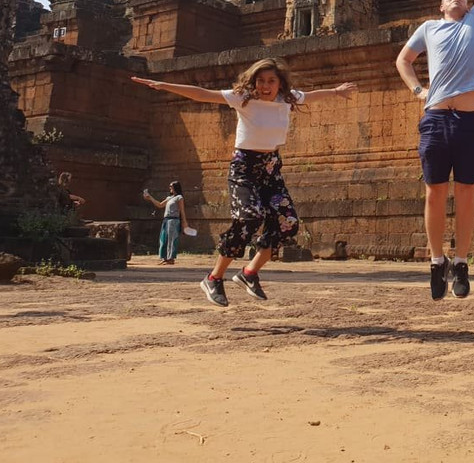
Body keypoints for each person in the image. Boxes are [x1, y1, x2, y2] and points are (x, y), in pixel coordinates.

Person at [132, 59, 357, 307]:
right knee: (249, 217)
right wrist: (164, 85)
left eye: (271, 81)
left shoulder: (287, 99)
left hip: (270, 168)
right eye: (260, 81)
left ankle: (249, 273)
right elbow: (203, 95)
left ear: (280, 82)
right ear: (253, 82)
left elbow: (313, 96)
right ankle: (213, 278)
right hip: (244, 168)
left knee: (288, 223)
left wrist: (337, 92)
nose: (265, 86)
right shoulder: (244, 98)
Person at [395, 0, 474, 300]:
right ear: (441, 6)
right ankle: (437, 260)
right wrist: (418, 90)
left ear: (470, 5)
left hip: (470, 119)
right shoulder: (429, 28)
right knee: (434, 192)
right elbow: (404, 60)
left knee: (466, 191)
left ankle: (463, 261)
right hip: (436, 117)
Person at [143, 181, 189, 265]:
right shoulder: (169, 198)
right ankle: (164, 257)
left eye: (171, 186)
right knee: (163, 239)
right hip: (166, 220)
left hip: (174, 220)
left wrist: (184, 222)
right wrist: (150, 198)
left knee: (172, 239)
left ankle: (171, 258)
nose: (170, 188)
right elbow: (160, 205)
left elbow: (182, 210)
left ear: (175, 187)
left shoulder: (179, 197)